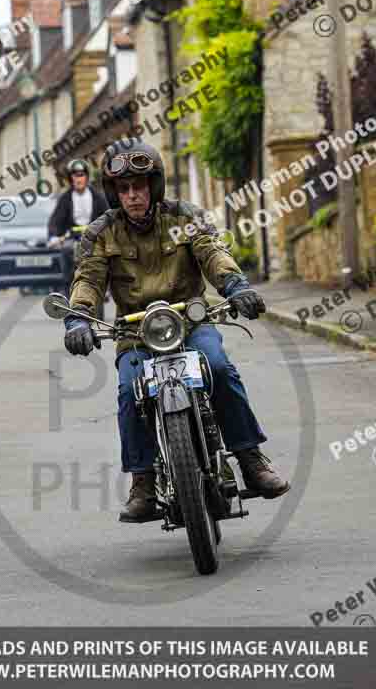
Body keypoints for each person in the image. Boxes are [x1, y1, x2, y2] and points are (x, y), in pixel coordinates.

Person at [62, 140, 290, 522]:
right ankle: (143, 481)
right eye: (124, 188)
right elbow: (87, 279)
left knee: (218, 368)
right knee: (128, 390)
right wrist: (78, 319)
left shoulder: (187, 216)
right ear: (114, 192)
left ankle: (250, 457)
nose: (133, 195)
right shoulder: (100, 233)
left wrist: (236, 287)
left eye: (140, 185)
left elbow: (213, 252)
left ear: (155, 185)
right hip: (135, 332)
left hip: (191, 322)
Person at [49, 158, 108, 295]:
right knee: (66, 252)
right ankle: (67, 289)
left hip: (95, 238)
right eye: (75, 175)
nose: (78, 179)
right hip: (72, 238)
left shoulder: (98, 197)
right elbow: (56, 221)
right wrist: (54, 236)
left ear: (87, 177)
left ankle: (106, 288)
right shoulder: (65, 198)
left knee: (107, 256)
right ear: (71, 179)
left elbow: (107, 217)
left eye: (81, 175)